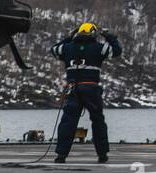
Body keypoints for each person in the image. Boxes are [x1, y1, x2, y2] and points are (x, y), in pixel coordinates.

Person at [50, 22, 122, 163]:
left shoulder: (67, 48)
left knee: (68, 122)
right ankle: (102, 154)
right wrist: (109, 36)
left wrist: (69, 38)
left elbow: (54, 50)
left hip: (73, 89)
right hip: (91, 88)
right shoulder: (99, 48)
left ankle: (61, 155)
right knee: (97, 120)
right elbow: (116, 50)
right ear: (93, 34)